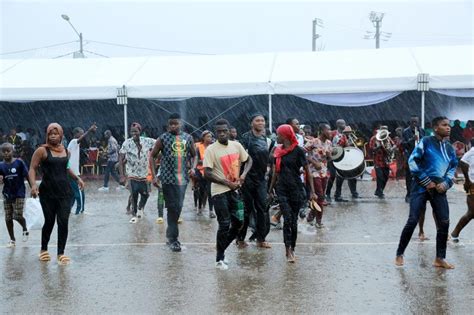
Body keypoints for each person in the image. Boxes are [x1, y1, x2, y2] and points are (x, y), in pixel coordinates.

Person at [395, 117, 457, 269]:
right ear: (436, 128)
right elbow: (412, 162)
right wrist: (425, 181)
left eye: (449, 125)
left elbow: (452, 168)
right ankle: (399, 253)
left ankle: (439, 258)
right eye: (444, 125)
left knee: (444, 222)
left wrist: (446, 183)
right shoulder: (426, 142)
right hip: (420, 188)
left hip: (439, 189)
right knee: (413, 220)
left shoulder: (449, 148)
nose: (448, 128)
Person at [29, 123, 84, 265]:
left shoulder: (66, 150)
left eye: (56, 133)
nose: (53, 135)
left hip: (65, 192)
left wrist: (77, 178)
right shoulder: (42, 150)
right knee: (49, 221)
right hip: (47, 192)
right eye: (50, 133)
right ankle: (44, 250)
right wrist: (34, 185)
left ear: (61, 135)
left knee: (63, 222)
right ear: (47, 135)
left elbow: (66, 168)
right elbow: (32, 168)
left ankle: (61, 253)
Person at [204, 119, 253, 270]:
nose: (222, 133)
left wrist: (243, 175)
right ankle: (219, 259)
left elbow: (249, 159)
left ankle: (221, 249)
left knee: (239, 222)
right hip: (219, 192)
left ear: (229, 130)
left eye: (224, 131)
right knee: (224, 223)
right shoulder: (211, 149)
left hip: (235, 190)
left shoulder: (236, 145)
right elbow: (207, 173)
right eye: (219, 131)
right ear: (215, 133)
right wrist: (227, 183)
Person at [268, 124, 316, 263]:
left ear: (285, 136)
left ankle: (292, 247)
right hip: (281, 189)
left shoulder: (298, 151)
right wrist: (270, 191)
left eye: (278, 134)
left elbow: (308, 172)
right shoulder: (277, 151)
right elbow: (275, 173)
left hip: (295, 188)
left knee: (293, 222)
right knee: (287, 219)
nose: (276, 137)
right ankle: (287, 250)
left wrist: (312, 192)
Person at [150, 113, 196, 252]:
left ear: (180, 124)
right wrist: (154, 176)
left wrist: (193, 168)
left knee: (178, 207)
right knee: (172, 208)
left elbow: (194, 155)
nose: (172, 126)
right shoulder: (163, 138)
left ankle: (170, 235)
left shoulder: (188, 138)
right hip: (168, 179)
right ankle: (173, 239)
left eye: (175, 123)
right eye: (170, 124)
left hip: (183, 180)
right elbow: (152, 156)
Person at [236, 114, 274, 248]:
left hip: (261, 179)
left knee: (262, 209)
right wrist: (239, 178)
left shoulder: (268, 140)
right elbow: (240, 160)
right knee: (246, 210)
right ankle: (240, 239)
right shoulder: (245, 139)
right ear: (251, 123)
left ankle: (261, 238)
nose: (260, 123)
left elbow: (270, 159)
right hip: (246, 179)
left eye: (262, 120)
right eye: (257, 120)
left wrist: (269, 175)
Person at [118, 123, 155, 223]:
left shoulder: (147, 141)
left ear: (140, 132)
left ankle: (140, 208)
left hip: (144, 174)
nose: (133, 133)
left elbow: (160, 143)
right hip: (132, 174)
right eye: (132, 131)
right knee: (133, 195)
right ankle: (134, 215)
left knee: (146, 194)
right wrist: (121, 175)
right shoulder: (127, 143)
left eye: (135, 131)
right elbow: (120, 158)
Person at [0, 143, 33, 247]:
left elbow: (27, 175)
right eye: (4, 151)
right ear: (1, 153)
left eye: (8, 151)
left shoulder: (19, 162)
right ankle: (12, 240)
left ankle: (25, 227)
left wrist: (33, 187)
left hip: (19, 192)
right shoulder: (0, 165)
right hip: (7, 194)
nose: (6, 153)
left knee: (17, 215)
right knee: (8, 217)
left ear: (12, 151)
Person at [305, 123, 332, 227]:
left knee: (320, 197)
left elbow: (328, 157)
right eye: (328, 130)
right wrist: (313, 162)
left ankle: (311, 215)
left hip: (324, 172)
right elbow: (302, 154)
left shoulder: (329, 142)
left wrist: (330, 156)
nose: (330, 132)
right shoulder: (313, 142)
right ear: (322, 131)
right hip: (313, 172)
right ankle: (319, 221)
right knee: (320, 196)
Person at [326, 119, 359, 202]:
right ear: (338, 125)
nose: (344, 125)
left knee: (340, 177)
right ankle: (327, 194)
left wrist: (353, 143)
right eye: (342, 123)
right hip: (332, 158)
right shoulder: (333, 133)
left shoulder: (344, 136)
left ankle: (338, 195)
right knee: (332, 176)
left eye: (344, 123)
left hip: (340, 158)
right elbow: (327, 143)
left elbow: (346, 146)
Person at [67, 124, 97, 214]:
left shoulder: (74, 144)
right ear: (76, 134)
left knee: (74, 192)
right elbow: (81, 139)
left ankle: (69, 210)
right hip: (73, 172)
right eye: (81, 134)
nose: (82, 136)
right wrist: (89, 130)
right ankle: (79, 211)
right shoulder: (73, 141)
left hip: (73, 172)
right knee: (79, 192)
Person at [451, 147, 473, 242]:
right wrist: (467, 180)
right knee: (472, 212)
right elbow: (463, 162)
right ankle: (454, 233)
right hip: (472, 184)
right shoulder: (472, 151)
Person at [403, 116, 426, 203]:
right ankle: (409, 194)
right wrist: (411, 140)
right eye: (412, 122)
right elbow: (403, 144)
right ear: (410, 122)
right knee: (409, 177)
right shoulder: (406, 132)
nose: (414, 124)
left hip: (420, 157)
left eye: (416, 122)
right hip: (410, 157)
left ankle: (419, 194)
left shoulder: (422, 131)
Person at [369, 126, 396, 199]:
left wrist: (392, 149)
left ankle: (378, 191)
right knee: (380, 177)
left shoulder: (388, 138)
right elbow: (371, 149)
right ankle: (380, 192)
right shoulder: (374, 138)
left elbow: (394, 145)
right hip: (377, 160)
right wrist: (379, 146)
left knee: (386, 177)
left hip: (386, 161)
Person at [194, 130, 215, 217]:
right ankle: (199, 208)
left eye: (210, 137)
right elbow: (197, 160)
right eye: (207, 137)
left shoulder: (213, 147)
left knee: (210, 192)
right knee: (201, 191)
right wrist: (205, 161)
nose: (209, 138)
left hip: (211, 172)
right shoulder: (199, 147)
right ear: (203, 138)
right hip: (201, 172)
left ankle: (211, 211)